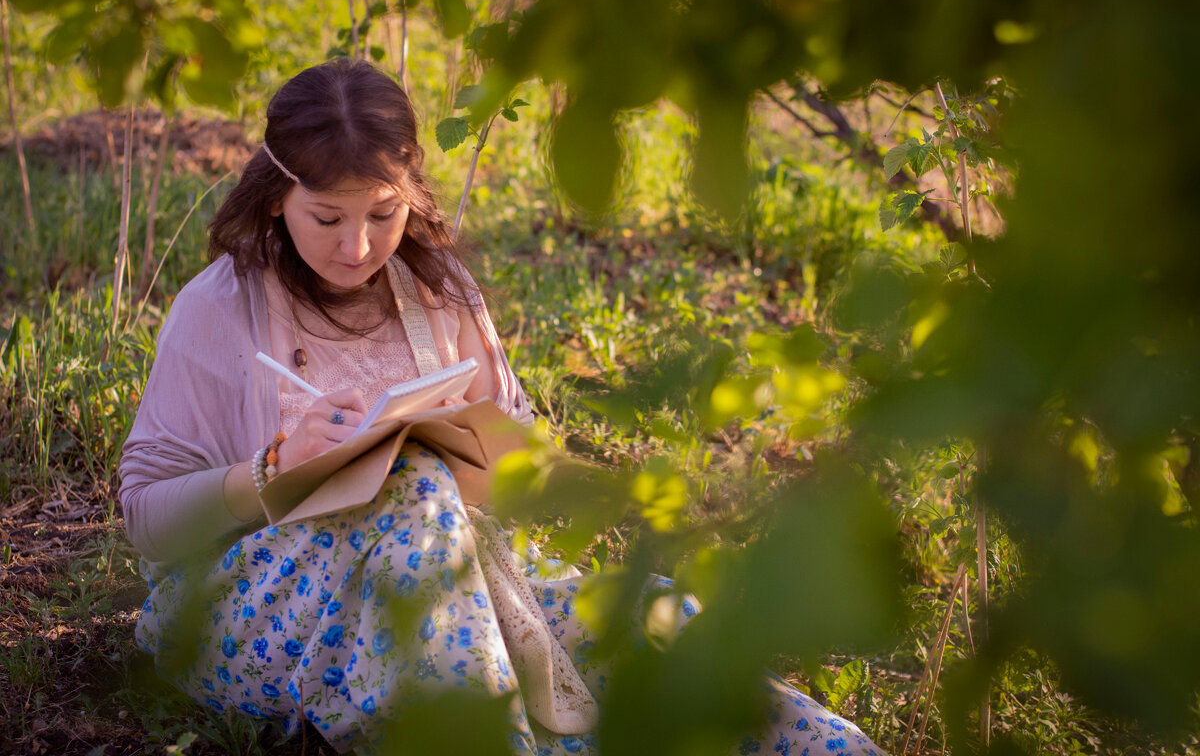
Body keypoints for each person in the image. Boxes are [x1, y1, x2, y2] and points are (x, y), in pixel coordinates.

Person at [120, 59, 886, 755]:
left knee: (649, 626)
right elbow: (147, 518)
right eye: (327, 218)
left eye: (382, 214)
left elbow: (516, 470)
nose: (356, 246)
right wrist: (275, 467)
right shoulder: (222, 306)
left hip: (467, 591)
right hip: (258, 609)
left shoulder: (439, 292)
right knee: (414, 490)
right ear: (278, 194)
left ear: (410, 191)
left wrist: (485, 456)